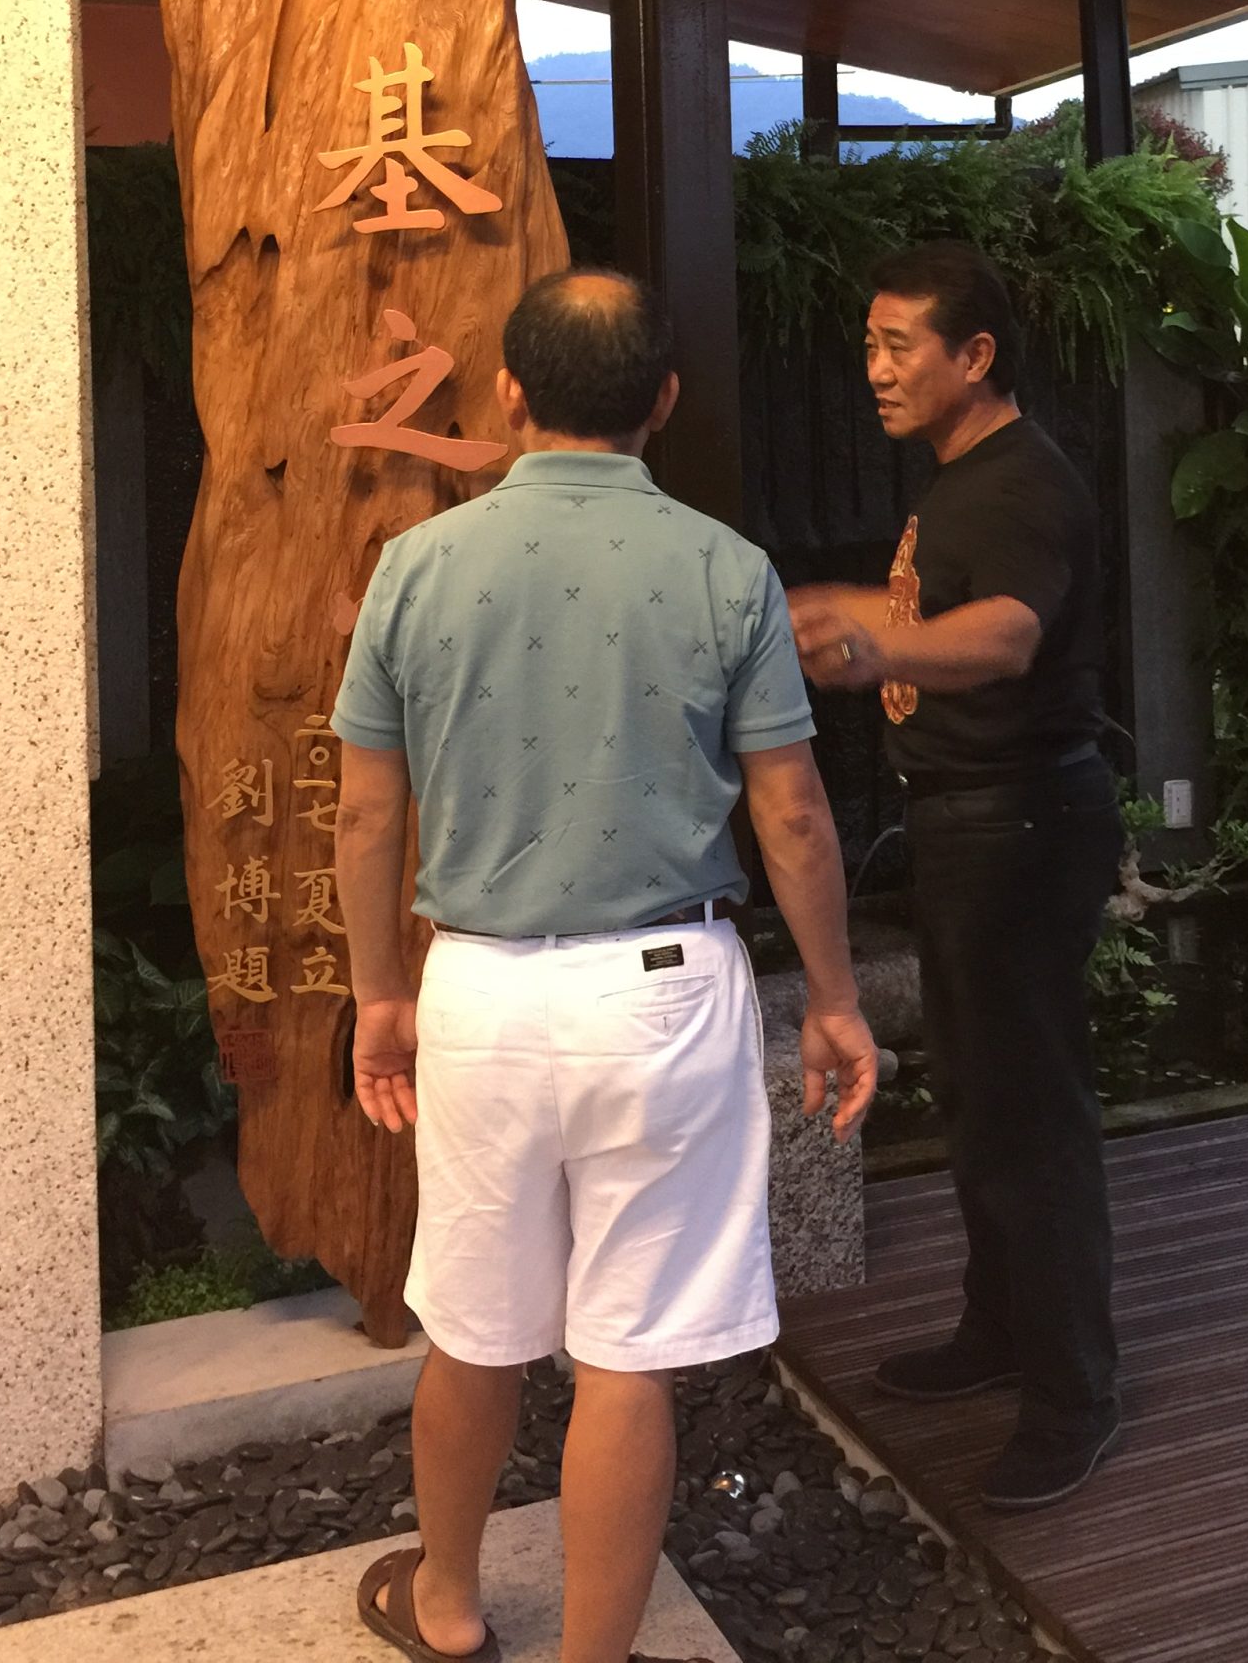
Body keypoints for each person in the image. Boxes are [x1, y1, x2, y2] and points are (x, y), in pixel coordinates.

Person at [333, 268, 877, 1663]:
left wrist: (381, 996)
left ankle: (447, 1604)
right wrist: (832, 997)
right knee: (628, 1354)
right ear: (666, 400)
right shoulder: (725, 568)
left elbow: (367, 813)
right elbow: (794, 813)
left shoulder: (417, 565)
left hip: (481, 987)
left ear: (511, 391)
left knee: (473, 1324)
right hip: (665, 992)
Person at [789, 241, 1122, 1512]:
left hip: (1023, 823)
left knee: (1031, 1115)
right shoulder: (964, 479)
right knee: (983, 1101)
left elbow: (1006, 632)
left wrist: (882, 648)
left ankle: (1074, 1395)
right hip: (973, 824)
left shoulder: (1023, 479)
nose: (875, 370)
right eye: (869, 346)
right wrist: (847, 605)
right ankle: (998, 1328)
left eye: (898, 347)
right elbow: (937, 603)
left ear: (974, 356)